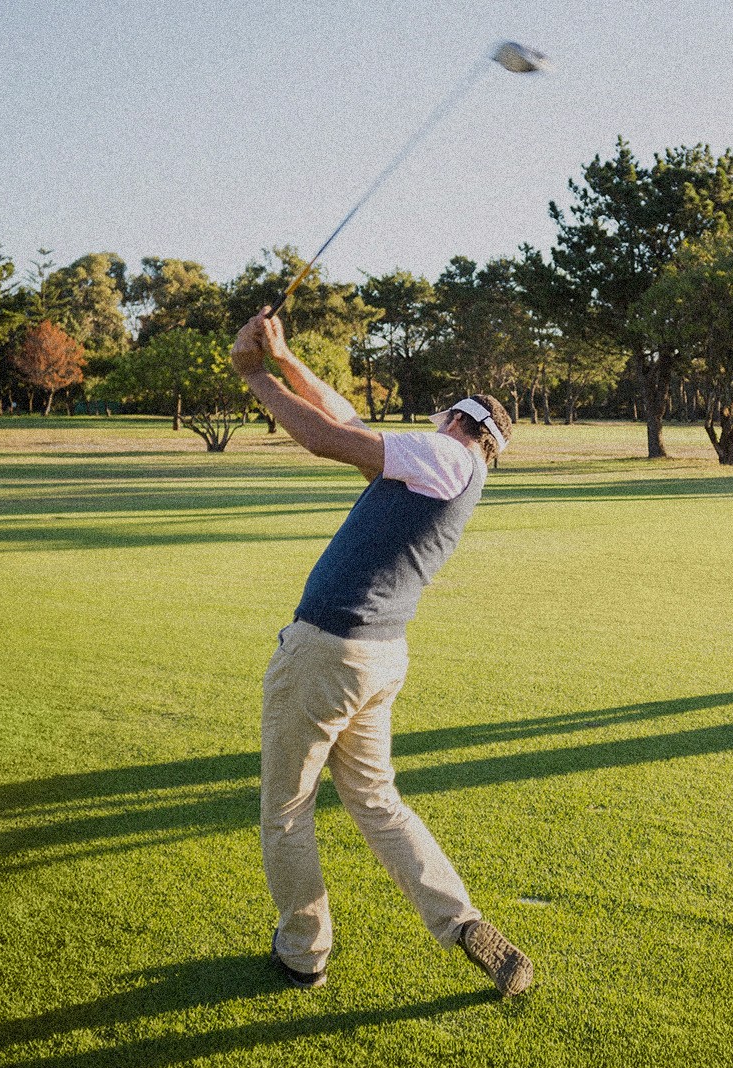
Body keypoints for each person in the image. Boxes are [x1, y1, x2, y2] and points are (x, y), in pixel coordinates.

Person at [228, 307, 533, 997]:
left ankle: (303, 952)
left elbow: (326, 438)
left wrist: (256, 379)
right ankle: (460, 922)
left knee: (285, 811)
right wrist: (285, 356)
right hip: (376, 658)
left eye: (439, 418)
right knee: (375, 800)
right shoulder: (453, 469)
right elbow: (351, 423)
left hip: (327, 654)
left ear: (457, 422)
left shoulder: (444, 454)